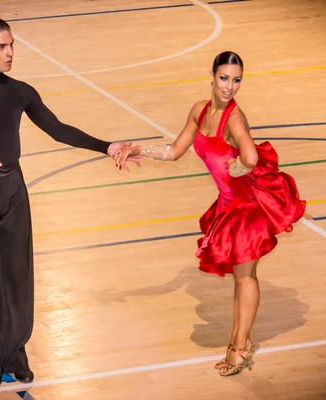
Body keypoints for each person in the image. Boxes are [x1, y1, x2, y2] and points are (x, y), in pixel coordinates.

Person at [0, 16, 138, 388]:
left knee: (18, 277)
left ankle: (14, 350)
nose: (10, 53)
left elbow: (58, 129)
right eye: (2, 47)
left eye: (12, 46)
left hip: (13, 190)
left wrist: (107, 146)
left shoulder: (20, 91)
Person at [115, 51, 306, 376]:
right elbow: (174, 151)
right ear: (212, 76)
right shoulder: (199, 110)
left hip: (246, 209)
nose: (230, 86)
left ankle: (239, 348)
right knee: (240, 277)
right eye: (224, 78)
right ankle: (238, 342)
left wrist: (241, 166)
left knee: (245, 278)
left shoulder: (234, 118)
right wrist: (139, 149)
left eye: (236, 80)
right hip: (228, 205)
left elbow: (251, 156)